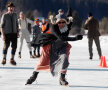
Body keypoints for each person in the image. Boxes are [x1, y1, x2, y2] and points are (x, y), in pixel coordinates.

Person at [25, 14, 83, 86]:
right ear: (56, 22)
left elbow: (69, 24)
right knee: (42, 62)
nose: (61, 24)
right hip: (51, 46)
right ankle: (33, 76)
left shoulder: (66, 27)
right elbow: (61, 38)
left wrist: (70, 19)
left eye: (63, 22)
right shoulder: (53, 27)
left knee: (64, 59)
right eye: (59, 22)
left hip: (62, 47)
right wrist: (75, 38)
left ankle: (62, 78)